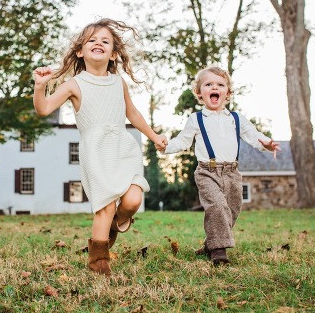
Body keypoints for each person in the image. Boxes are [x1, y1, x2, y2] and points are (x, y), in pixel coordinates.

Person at [33, 18, 168, 276]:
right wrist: (40, 87)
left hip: (123, 148)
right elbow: (44, 109)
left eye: (105, 41)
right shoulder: (74, 84)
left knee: (133, 199)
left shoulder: (119, 82)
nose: (98, 43)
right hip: (96, 152)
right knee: (105, 206)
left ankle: (115, 226)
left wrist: (153, 136)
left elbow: (133, 113)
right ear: (80, 51)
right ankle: (99, 263)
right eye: (92, 40)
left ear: (114, 54)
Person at [162, 66, 280, 265]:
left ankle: (210, 244)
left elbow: (253, 135)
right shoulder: (196, 119)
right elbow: (182, 141)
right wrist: (165, 146)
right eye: (208, 84)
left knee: (231, 210)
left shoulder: (236, 119)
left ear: (228, 93)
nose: (214, 87)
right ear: (199, 93)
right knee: (217, 206)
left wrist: (267, 143)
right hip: (207, 171)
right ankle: (218, 251)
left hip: (232, 172)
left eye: (220, 84)